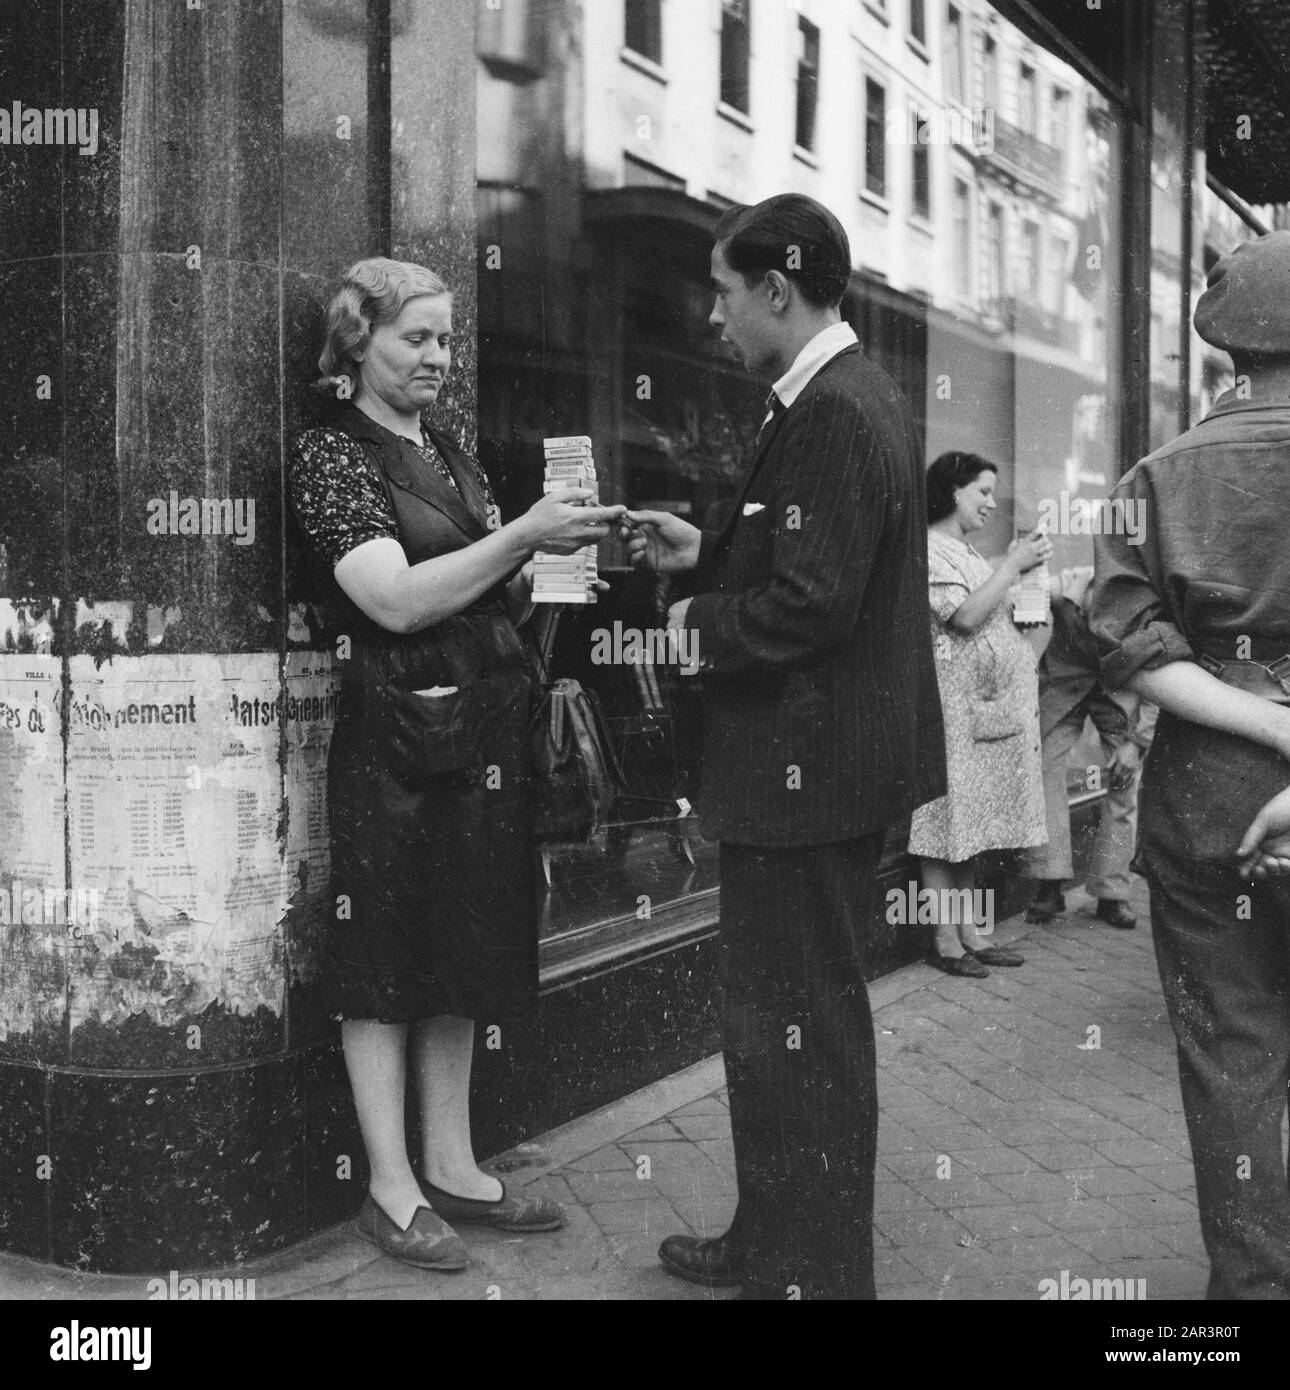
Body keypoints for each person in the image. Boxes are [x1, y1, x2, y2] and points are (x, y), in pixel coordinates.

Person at [622, 194, 946, 1299]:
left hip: (806, 772)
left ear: (776, 288)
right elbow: (798, 553)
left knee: (799, 1025)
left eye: (722, 292)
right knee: (777, 1024)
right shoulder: (828, 398)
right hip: (805, 769)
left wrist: (690, 625)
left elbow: (812, 604)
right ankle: (773, 1240)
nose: (713, 316)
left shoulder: (835, 413)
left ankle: (808, 1269)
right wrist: (704, 550)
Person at [289, 258, 623, 1269]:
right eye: (417, 339)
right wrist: (521, 533)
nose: (439, 357)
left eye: (446, 338)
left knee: (464, 947)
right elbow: (389, 598)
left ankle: (453, 1160)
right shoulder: (331, 453)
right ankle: (389, 1188)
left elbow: (475, 588)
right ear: (358, 343)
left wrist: (561, 565)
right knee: (386, 956)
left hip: (478, 733)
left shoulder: (448, 445)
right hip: (395, 740)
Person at [1088, 231, 1290, 1299]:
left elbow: (1127, 641)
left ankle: (1254, 1285)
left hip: (1211, 794)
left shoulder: (1159, 475)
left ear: (1224, 348)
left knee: (1232, 1060)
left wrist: (1268, 727)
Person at [907, 452, 1049, 977]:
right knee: (945, 824)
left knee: (970, 825)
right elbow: (963, 617)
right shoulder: (926, 549)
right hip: (951, 710)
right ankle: (945, 941)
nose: (991, 502)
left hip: (976, 711)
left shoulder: (964, 552)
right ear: (952, 491)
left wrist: (1020, 575)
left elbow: (995, 611)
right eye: (983, 491)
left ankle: (971, 933)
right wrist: (1010, 566)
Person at [1023, 566, 1156, 930]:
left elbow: (1161, 677)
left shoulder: (1149, 606)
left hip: (1120, 692)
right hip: (1066, 685)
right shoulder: (1063, 588)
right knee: (1044, 770)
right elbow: (1020, 593)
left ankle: (1113, 893)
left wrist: (1138, 742)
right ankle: (1049, 882)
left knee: (1124, 784)